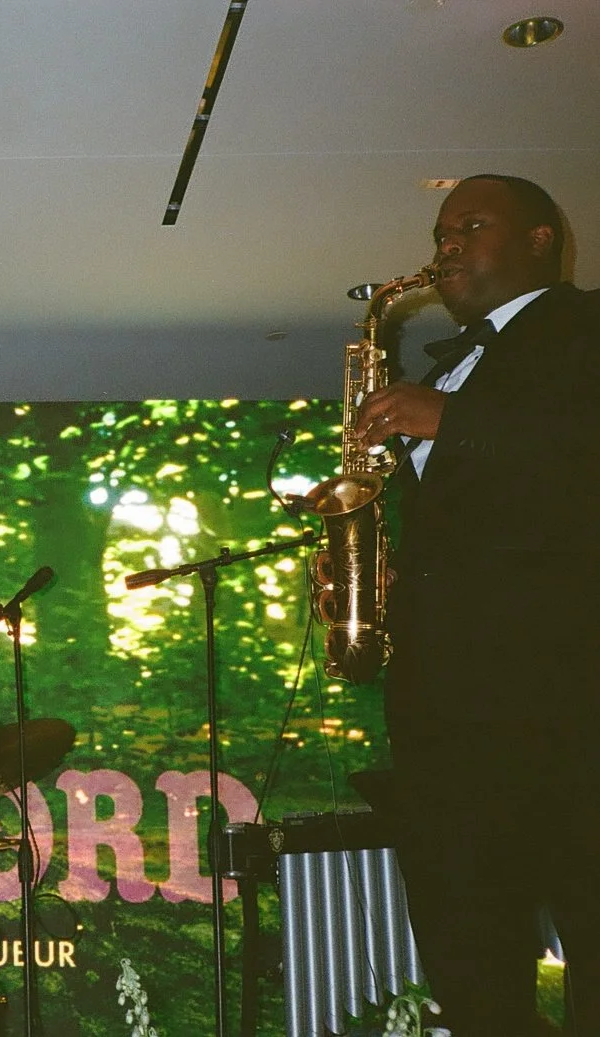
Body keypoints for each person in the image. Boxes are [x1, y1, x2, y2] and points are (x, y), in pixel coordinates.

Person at [356, 175, 600, 1036]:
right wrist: (388, 570)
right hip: (445, 720)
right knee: (468, 962)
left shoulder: (584, 326)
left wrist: (450, 419)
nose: (445, 244)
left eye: (470, 225)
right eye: (439, 231)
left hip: (563, 707)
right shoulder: (449, 365)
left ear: (540, 239)